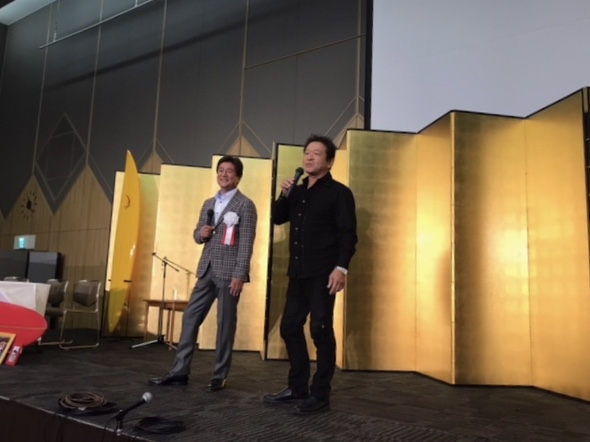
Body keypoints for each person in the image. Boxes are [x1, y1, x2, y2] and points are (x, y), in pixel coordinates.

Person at [264, 134, 357, 414]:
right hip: (298, 272)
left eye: (316, 153)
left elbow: (348, 235)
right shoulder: (298, 190)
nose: (309, 157)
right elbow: (278, 217)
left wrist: (341, 268)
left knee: (320, 329)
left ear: (330, 161)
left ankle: (320, 394)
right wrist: (285, 193)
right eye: (307, 152)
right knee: (289, 327)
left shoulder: (339, 193)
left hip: (324, 273)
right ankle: (298, 387)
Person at [148, 155, 257, 391]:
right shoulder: (209, 202)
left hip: (229, 273)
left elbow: (246, 242)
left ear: (238, 177)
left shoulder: (245, 205)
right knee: (190, 317)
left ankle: (219, 375)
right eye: (221, 170)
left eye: (229, 171)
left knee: (225, 324)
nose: (224, 174)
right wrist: (201, 234)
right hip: (206, 269)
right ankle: (179, 371)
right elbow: (198, 234)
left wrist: (240, 274)